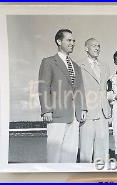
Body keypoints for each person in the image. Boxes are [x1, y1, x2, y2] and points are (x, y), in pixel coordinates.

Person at [38, 29, 86, 163]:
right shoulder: (48, 62)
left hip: (74, 116)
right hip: (57, 115)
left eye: (73, 40)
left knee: (70, 155)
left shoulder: (76, 66)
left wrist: (82, 109)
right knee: (54, 155)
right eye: (69, 40)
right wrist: (46, 110)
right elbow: (43, 87)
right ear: (59, 41)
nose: (72, 43)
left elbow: (79, 89)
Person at [79, 38, 112, 163]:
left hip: (103, 113)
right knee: (86, 151)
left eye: (99, 46)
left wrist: (109, 111)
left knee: (103, 150)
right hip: (87, 112)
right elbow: (77, 90)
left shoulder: (105, 66)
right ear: (86, 48)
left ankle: (102, 177)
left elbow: (107, 89)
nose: (97, 48)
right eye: (94, 46)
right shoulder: (79, 65)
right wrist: (81, 108)